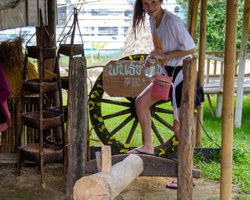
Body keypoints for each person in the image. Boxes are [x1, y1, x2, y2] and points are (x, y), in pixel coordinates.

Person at [127, 0, 204, 189]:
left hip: (182, 74)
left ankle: (187, 173)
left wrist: (165, 56)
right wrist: (152, 56)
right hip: (167, 71)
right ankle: (147, 146)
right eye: (145, 4)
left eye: (153, 2)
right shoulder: (153, 20)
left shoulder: (172, 21)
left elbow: (191, 48)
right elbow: (162, 49)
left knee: (180, 127)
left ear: (161, 1)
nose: (149, 7)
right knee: (141, 103)